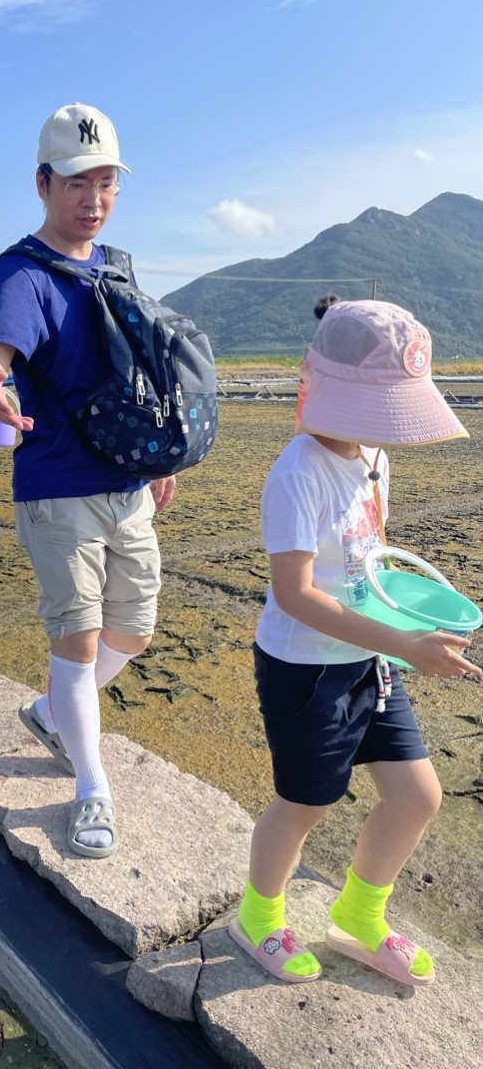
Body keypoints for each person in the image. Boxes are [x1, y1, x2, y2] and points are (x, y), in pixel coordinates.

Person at [230, 298, 480, 987]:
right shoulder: (298, 471)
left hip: (371, 656)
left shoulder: (373, 457)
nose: (385, 427)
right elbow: (296, 594)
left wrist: (410, 630)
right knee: (306, 802)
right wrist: (404, 644)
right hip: (307, 668)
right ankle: (257, 915)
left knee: (418, 796)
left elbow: (365, 562)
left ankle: (360, 915)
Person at [0, 103, 176, 859]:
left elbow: (138, 372)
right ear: (43, 183)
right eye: (78, 182)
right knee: (78, 643)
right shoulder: (21, 273)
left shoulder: (117, 265)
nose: (93, 198)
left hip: (127, 483)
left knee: (135, 631)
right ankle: (91, 786)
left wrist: (156, 457)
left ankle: (52, 714)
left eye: (107, 182)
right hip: (57, 487)